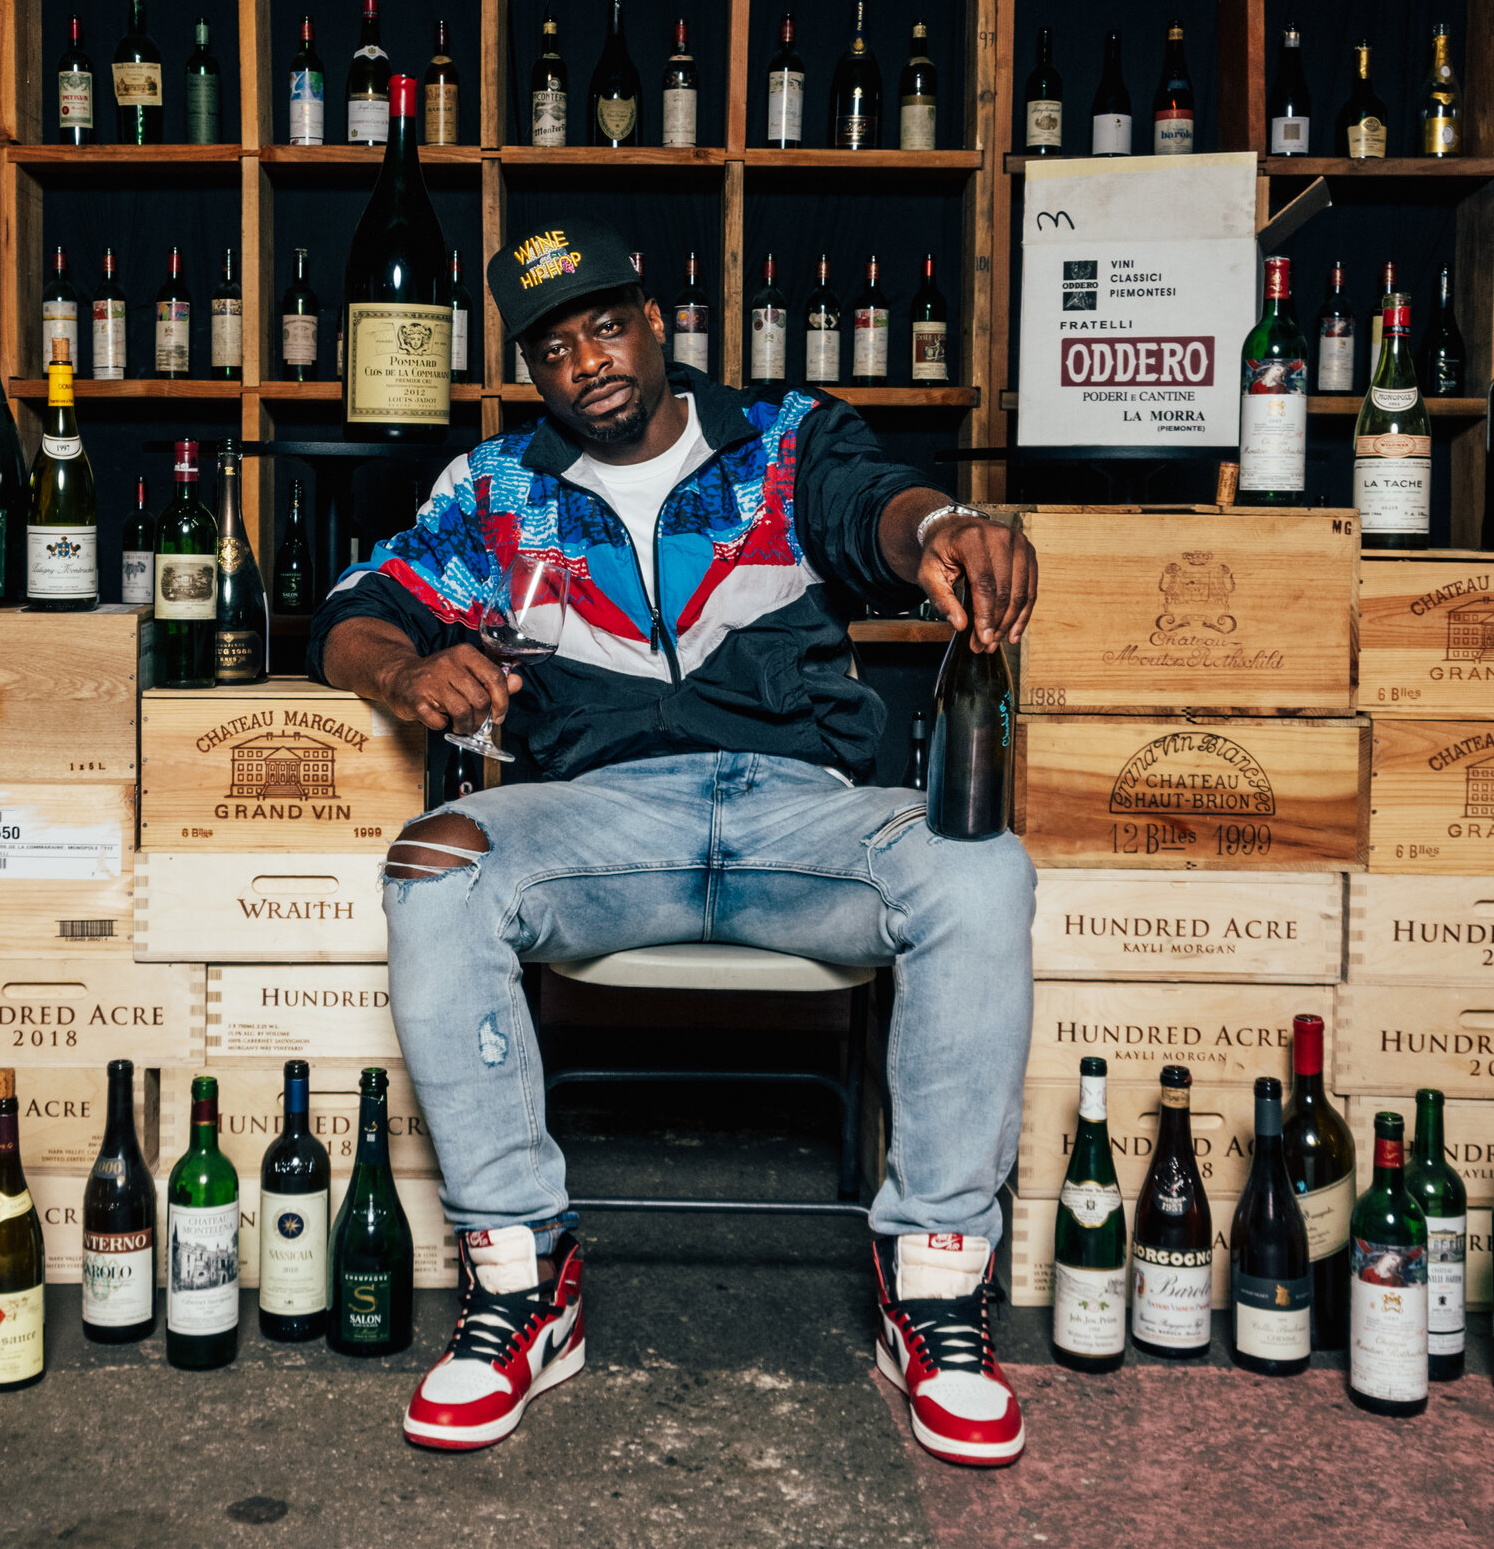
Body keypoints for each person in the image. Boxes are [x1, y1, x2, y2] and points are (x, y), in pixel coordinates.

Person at [310, 219, 1039, 1467]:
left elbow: (877, 508)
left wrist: (943, 529)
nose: (586, 360)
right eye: (553, 347)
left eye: (604, 324)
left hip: (800, 807)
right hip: (599, 819)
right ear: (531, 371)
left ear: (654, 320)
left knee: (981, 865)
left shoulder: (778, 443)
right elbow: (354, 614)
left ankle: (932, 1291)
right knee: (433, 866)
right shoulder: (495, 490)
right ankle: (522, 1276)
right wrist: (410, 666)